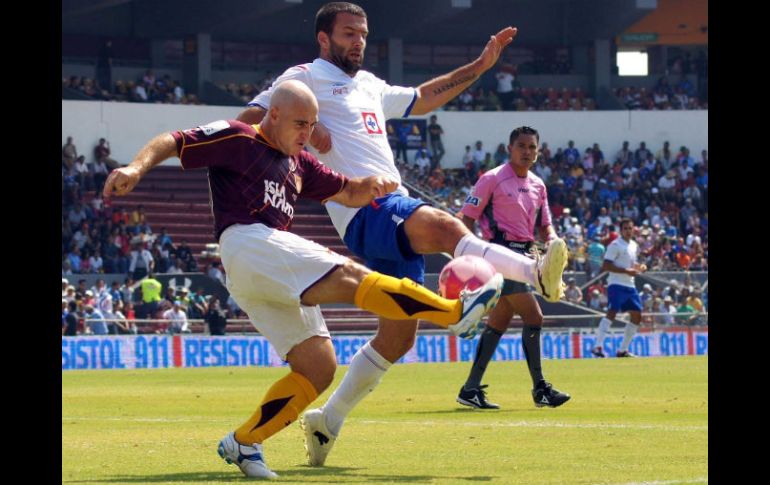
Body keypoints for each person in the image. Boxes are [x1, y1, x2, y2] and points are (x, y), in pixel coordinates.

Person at [103, 80, 503, 479]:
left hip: (258, 272)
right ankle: (453, 312)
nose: (307, 134)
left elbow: (347, 191)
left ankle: (245, 441)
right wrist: (136, 167)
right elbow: (173, 140)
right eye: (299, 124)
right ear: (273, 115)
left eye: (312, 125)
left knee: (318, 367)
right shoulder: (239, 137)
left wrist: (371, 187)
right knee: (350, 275)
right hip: (247, 240)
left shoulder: (301, 164)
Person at [239, 2, 568, 466]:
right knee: (442, 224)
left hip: (384, 209)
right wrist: (302, 133)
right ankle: (531, 272)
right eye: (349, 33)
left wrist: (479, 66)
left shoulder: (369, 85)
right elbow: (249, 122)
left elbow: (423, 97)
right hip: (362, 207)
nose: (358, 42)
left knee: (399, 336)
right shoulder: (303, 77)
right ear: (324, 39)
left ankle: (326, 423)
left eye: (364, 34)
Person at [453, 126, 570, 410]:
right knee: (534, 316)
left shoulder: (538, 185)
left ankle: (470, 390)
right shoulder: (491, 179)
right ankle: (540, 389)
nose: (527, 152)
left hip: (527, 258)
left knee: (500, 320)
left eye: (532, 147)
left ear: (538, 151)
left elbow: (544, 224)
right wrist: (471, 259)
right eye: (522, 146)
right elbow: (465, 220)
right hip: (498, 255)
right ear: (509, 148)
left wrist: (553, 241)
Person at [591, 218, 648, 358]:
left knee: (637, 315)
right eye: (626, 228)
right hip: (616, 284)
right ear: (621, 230)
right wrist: (626, 271)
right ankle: (597, 346)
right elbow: (606, 265)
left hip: (630, 284)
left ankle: (623, 350)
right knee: (612, 312)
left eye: (630, 228)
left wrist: (640, 267)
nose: (629, 231)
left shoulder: (634, 245)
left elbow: (632, 264)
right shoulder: (615, 245)